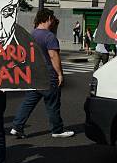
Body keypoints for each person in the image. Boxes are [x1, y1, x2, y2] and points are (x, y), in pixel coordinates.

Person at [10, 9, 75, 139]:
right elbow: (53, 56)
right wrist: (60, 74)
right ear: (49, 18)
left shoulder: (31, 34)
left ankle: (17, 126)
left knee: (29, 102)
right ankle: (57, 130)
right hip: (48, 74)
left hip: (34, 74)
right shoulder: (49, 36)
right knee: (53, 103)